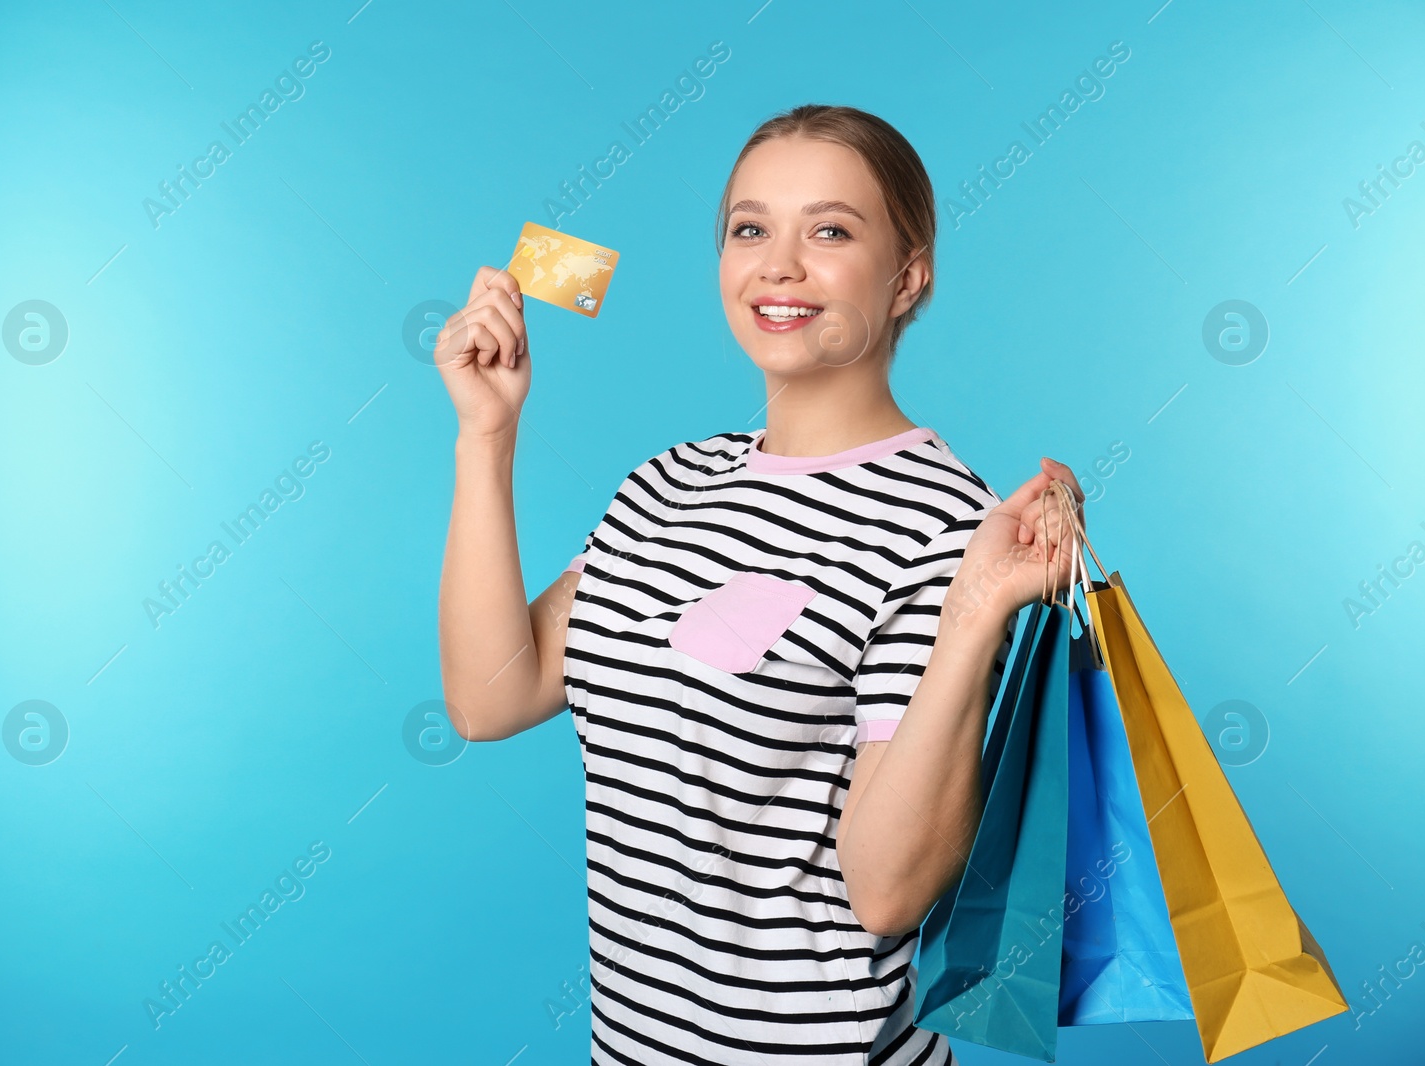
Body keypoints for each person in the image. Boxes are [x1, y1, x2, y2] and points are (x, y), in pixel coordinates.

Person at [435, 103, 1086, 1066]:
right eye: (750, 229)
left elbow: (887, 893)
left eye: (829, 230)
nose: (778, 265)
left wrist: (975, 615)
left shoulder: (945, 527)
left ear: (909, 277)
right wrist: (487, 436)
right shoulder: (664, 484)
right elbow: (491, 700)